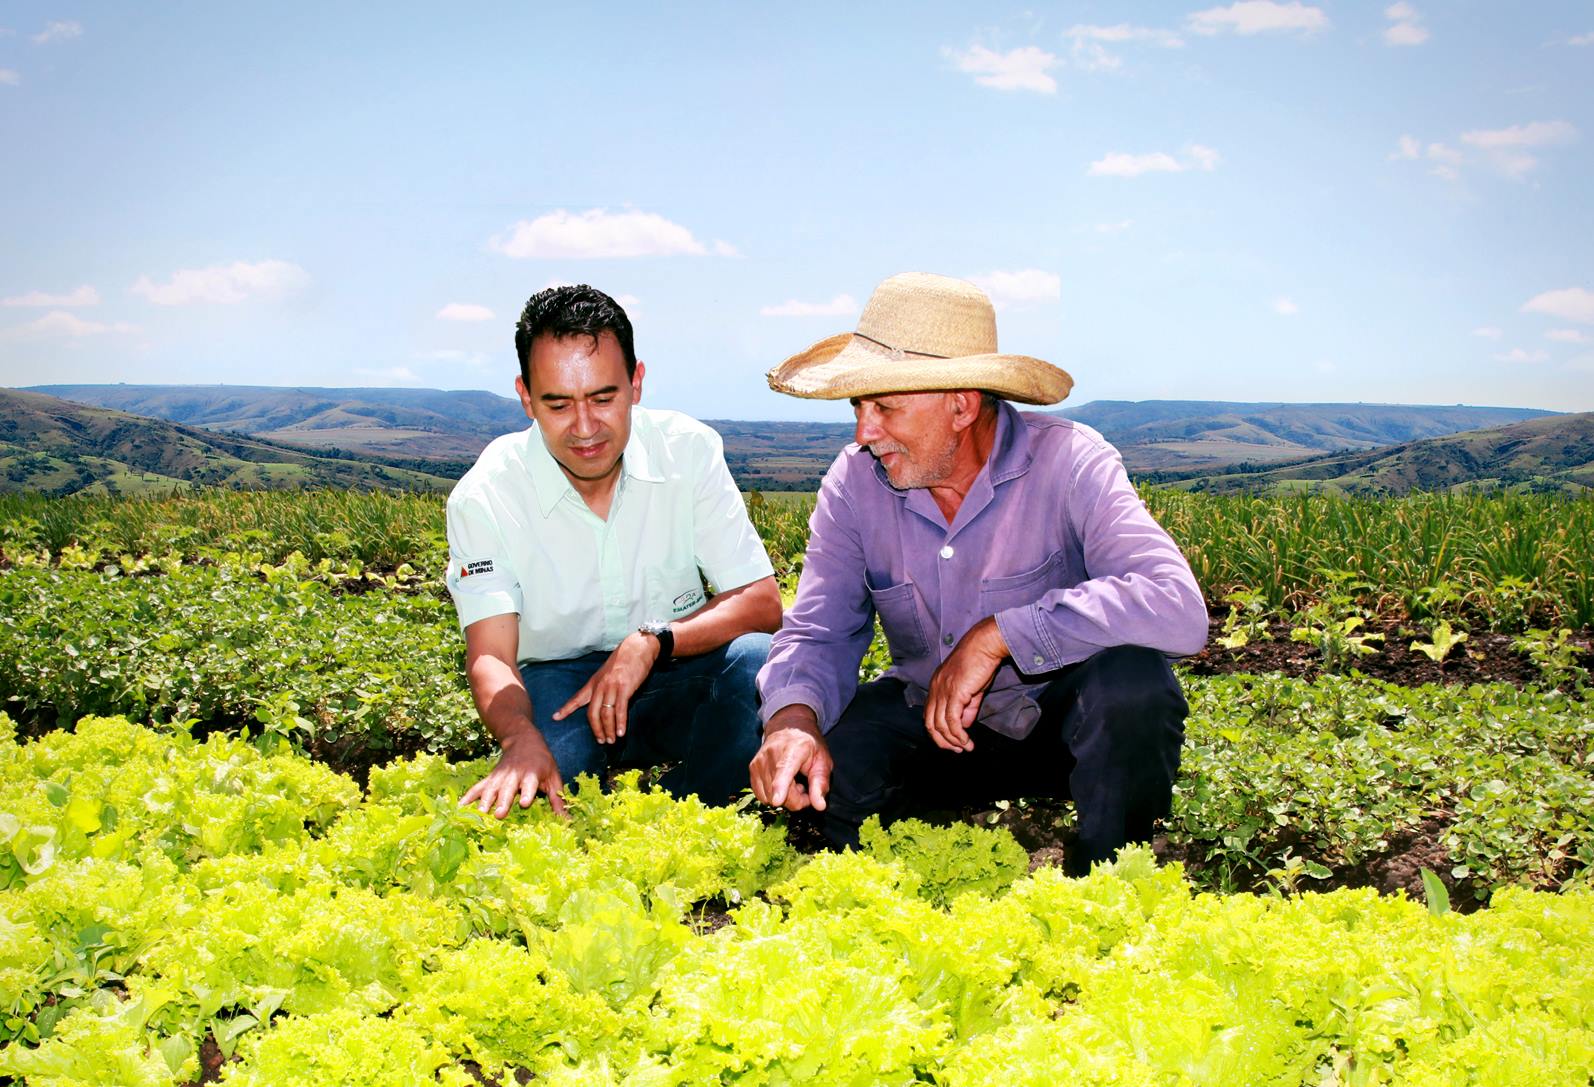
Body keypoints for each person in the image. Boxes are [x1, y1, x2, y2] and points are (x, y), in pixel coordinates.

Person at [749, 272, 1207, 872]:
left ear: (962, 405)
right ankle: (913, 873)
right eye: (859, 407)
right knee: (837, 761)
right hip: (927, 724)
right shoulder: (855, 481)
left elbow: (1176, 607)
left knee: (1133, 684)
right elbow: (820, 631)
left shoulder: (1071, 461)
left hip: (1057, 731)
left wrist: (999, 635)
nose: (865, 431)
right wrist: (792, 721)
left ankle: (1105, 881)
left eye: (884, 407)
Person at [447, 284, 781, 817]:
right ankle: (650, 815)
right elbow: (491, 653)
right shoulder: (486, 494)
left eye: (604, 398)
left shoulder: (688, 451)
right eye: (558, 404)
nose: (585, 429)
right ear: (526, 397)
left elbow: (762, 603)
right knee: (552, 780)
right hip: (559, 686)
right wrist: (517, 739)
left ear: (636, 383)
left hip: (673, 668)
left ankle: (687, 816)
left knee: (759, 664)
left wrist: (651, 642)